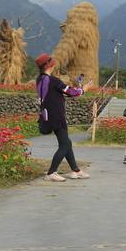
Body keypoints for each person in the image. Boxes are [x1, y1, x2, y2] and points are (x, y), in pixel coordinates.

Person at [35, 53, 91, 182]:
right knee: (65, 144)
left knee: (66, 142)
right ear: (50, 65)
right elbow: (72, 92)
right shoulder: (54, 81)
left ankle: (75, 170)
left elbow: (53, 94)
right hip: (57, 116)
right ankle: (51, 173)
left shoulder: (40, 79)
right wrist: (84, 89)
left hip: (47, 115)